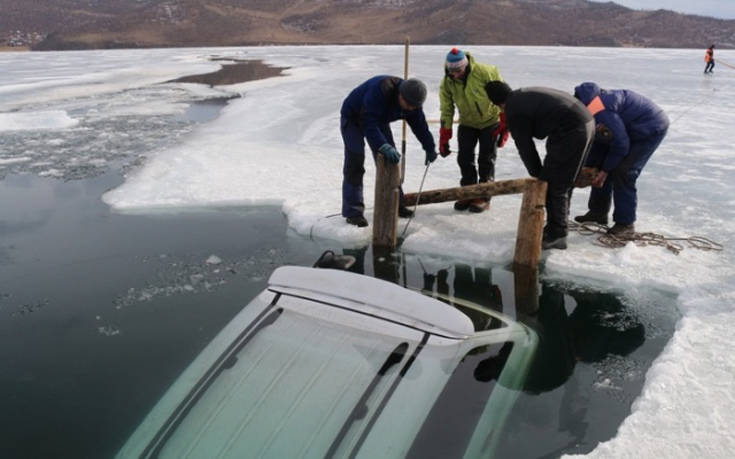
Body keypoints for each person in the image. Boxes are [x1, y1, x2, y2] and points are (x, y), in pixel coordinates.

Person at [484, 81, 594, 250]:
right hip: (586, 121)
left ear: (497, 103)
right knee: (564, 179)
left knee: (554, 184)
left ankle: (557, 234)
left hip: (572, 128)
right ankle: (557, 225)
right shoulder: (521, 95)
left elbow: (525, 147)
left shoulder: (514, 109)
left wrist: (538, 176)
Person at [573, 82, 669, 236]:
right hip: (627, 129)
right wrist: (590, 166)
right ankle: (598, 213)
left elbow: (621, 144)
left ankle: (625, 224)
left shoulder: (601, 110)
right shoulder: (592, 107)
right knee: (598, 164)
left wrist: (605, 171)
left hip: (649, 128)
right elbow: (599, 141)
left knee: (624, 172)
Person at [340, 76, 437, 227]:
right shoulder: (381, 90)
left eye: (414, 107)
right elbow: (368, 123)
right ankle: (353, 212)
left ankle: (396, 204)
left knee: (390, 162)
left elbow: (420, 127)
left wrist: (429, 147)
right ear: (400, 95)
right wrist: (382, 145)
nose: (410, 109)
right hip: (354, 117)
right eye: (408, 105)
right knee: (355, 162)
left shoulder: (414, 104)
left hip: (379, 121)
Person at [439, 48, 508, 213]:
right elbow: (446, 109)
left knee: (486, 158)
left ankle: (484, 195)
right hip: (467, 123)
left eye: (458, 71)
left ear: (466, 65)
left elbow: (503, 97)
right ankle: (468, 192)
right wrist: (445, 135)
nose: (455, 75)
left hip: (490, 122)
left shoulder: (486, 72)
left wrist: (505, 126)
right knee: (464, 157)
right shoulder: (447, 82)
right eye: (452, 72)